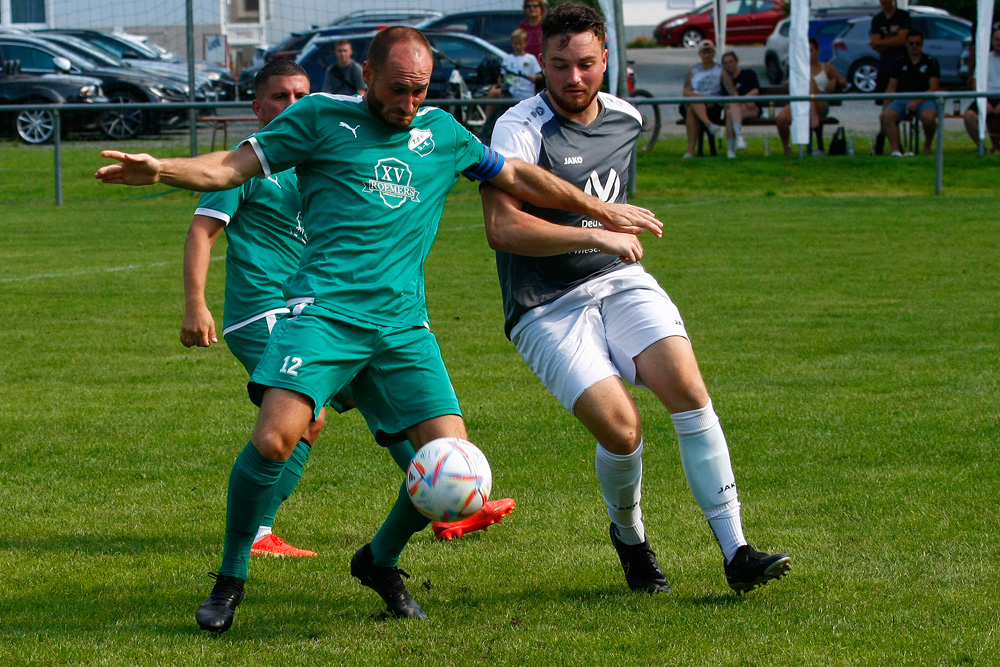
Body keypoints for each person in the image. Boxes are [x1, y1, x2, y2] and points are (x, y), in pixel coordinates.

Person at [96, 26, 662, 631]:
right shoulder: (317, 118)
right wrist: (162, 170)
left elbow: (518, 177)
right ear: (366, 77)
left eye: (421, 90)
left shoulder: (443, 133)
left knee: (455, 467)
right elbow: (229, 169)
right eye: (398, 90)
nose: (410, 103)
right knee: (274, 440)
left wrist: (601, 211)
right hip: (323, 314)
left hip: (402, 328)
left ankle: (378, 560)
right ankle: (231, 577)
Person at [482, 3, 792, 597]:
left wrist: (607, 242)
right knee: (623, 432)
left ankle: (737, 552)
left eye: (586, 65)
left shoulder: (626, 118)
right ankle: (629, 536)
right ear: (540, 63)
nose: (573, 79)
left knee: (689, 391)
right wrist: (598, 230)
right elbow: (504, 230)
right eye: (559, 66)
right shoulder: (518, 128)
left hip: (619, 282)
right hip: (545, 303)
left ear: (607, 60)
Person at [183, 59, 514, 561]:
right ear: (256, 107)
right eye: (278, 97)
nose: (290, 105)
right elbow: (202, 230)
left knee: (369, 401)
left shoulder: (313, 158)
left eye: (299, 95)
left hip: (329, 313)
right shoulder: (251, 168)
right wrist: (196, 305)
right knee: (304, 421)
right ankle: (258, 534)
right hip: (264, 313)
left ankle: (444, 495)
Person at [775, 37, 846, 156]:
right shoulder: (798, 69)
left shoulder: (826, 67)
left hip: (820, 102)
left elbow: (844, 82)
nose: (808, 54)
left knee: (809, 81)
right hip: (800, 101)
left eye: (810, 50)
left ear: (817, 50)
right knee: (781, 118)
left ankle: (813, 115)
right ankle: (787, 147)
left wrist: (835, 81)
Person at [880, 29, 940, 156]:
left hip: (924, 98)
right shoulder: (898, 62)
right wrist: (885, 107)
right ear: (906, 44)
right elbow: (891, 87)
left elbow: (934, 87)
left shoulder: (931, 62)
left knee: (928, 118)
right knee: (887, 116)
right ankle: (896, 150)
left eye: (917, 43)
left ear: (922, 44)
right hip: (902, 98)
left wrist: (918, 102)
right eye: (911, 43)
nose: (914, 46)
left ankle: (927, 145)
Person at [480, 28, 545, 143]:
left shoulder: (530, 59)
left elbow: (540, 75)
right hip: (510, 95)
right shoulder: (508, 59)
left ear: (525, 43)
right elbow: (502, 75)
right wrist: (500, 84)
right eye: (515, 44)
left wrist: (533, 77)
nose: (518, 46)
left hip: (526, 95)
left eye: (520, 44)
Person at [682, 39, 724, 159]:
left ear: (713, 53)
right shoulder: (693, 70)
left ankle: (691, 151)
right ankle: (709, 125)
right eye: (704, 52)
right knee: (692, 107)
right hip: (697, 102)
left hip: (713, 106)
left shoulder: (720, 70)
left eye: (709, 52)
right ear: (700, 54)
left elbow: (728, 88)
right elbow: (686, 91)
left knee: (691, 110)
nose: (707, 55)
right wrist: (704, 97)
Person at [963, 27, 1000, 153]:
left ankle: (997, 147)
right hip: (986, 96)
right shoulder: (984, 60)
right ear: (992, 41)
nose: (999, 42)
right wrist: (983, 100)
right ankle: (981, 146)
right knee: (969, 116)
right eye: (996, 39)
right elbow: (976, 81)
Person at [720, 50, 760, 159]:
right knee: (729, 112)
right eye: (726, 63)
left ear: (736, 61)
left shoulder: (748, 74)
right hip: (736, 109)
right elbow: (726, 101)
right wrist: (743, 101)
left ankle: (731, 148)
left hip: (751, 109)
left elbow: (755, 91)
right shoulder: (726, 81)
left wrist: (743, 100)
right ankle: (739, 137)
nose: (729, 65)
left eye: (731, 62)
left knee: (731, 110)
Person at [869, 0, 910, 99]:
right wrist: (893, 42)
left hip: (902, 59)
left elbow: (902, 40)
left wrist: (881, 42)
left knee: (903, 94)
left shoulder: (903, 16)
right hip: (885, 62)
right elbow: (875, 43)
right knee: (884, 96)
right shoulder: (878, 19)